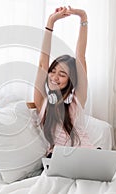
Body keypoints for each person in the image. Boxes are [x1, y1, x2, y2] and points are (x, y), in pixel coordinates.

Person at [34, 6, 94, 156]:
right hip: (59, 158)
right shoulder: (42, 102)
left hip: (87, 155)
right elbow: (42, 63)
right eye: (52, 71)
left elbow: (81, 57)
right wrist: (50, 23)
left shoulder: (76, 102)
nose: (54, 77)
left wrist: (83, 18)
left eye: (62, 74)